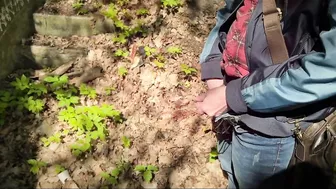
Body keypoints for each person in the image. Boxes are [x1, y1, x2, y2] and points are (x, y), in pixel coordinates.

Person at [195, 0, 336, 188]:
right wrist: (213, 66)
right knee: (232, 177)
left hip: (273, 126)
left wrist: (234, 95)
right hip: (228, 104)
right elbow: (232, 11)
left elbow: (329, 67)